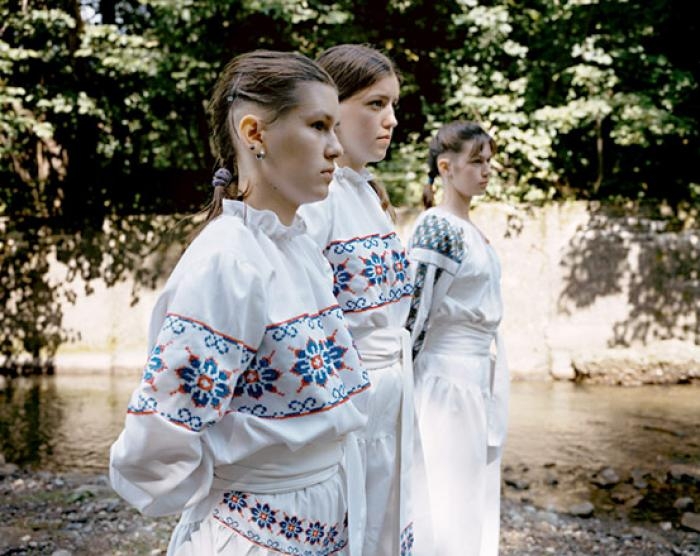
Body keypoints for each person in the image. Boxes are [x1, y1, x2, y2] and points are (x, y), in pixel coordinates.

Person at [109, 49, 372, 556]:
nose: (336, 148)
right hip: (254, 534)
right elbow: (159, 434)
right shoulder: (228, 263)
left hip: (323, 518)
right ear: (255, 134)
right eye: (318, 126)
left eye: (335, 128)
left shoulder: (298, 249)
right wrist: (235, 481)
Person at [299, 43, 428, 556]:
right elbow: (301, 316)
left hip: (389, 402)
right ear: (330, 107)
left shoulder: (368, 194)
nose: (391, 120)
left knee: (381, 527)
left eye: (393, 105)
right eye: (375, 104)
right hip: (348, 406)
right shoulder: (317, 200)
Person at [406, 120, 510, 556]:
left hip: (474, 378)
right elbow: (413, 316)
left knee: (470, 496)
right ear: (446, 168)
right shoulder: (437, 227)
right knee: (442, 495)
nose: (486, 171)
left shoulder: (471, 230)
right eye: (476, 162)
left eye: (489, 162)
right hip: (444, 384)